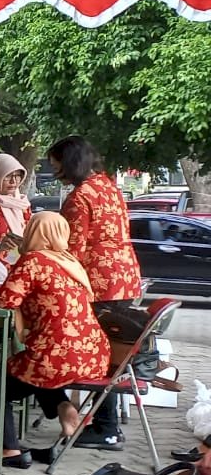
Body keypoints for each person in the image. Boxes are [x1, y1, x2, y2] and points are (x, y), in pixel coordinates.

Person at [0, 213, 109, 469]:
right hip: (92, 356)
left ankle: (8, 449)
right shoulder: (70, 261)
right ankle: (64, 407)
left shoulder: (34, 261)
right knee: (32, 369)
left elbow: (4, 300)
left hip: (56, 355)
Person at [50, 135, 143, 451]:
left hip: (98, 280)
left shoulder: (80, 198)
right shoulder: (109, 186)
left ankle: (106, 428)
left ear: (70, 162)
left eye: (57, 164)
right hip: (125, 276)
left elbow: (70, 247)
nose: (56, 171)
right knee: (113, 352)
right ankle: (105, 424)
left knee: (100, 355)